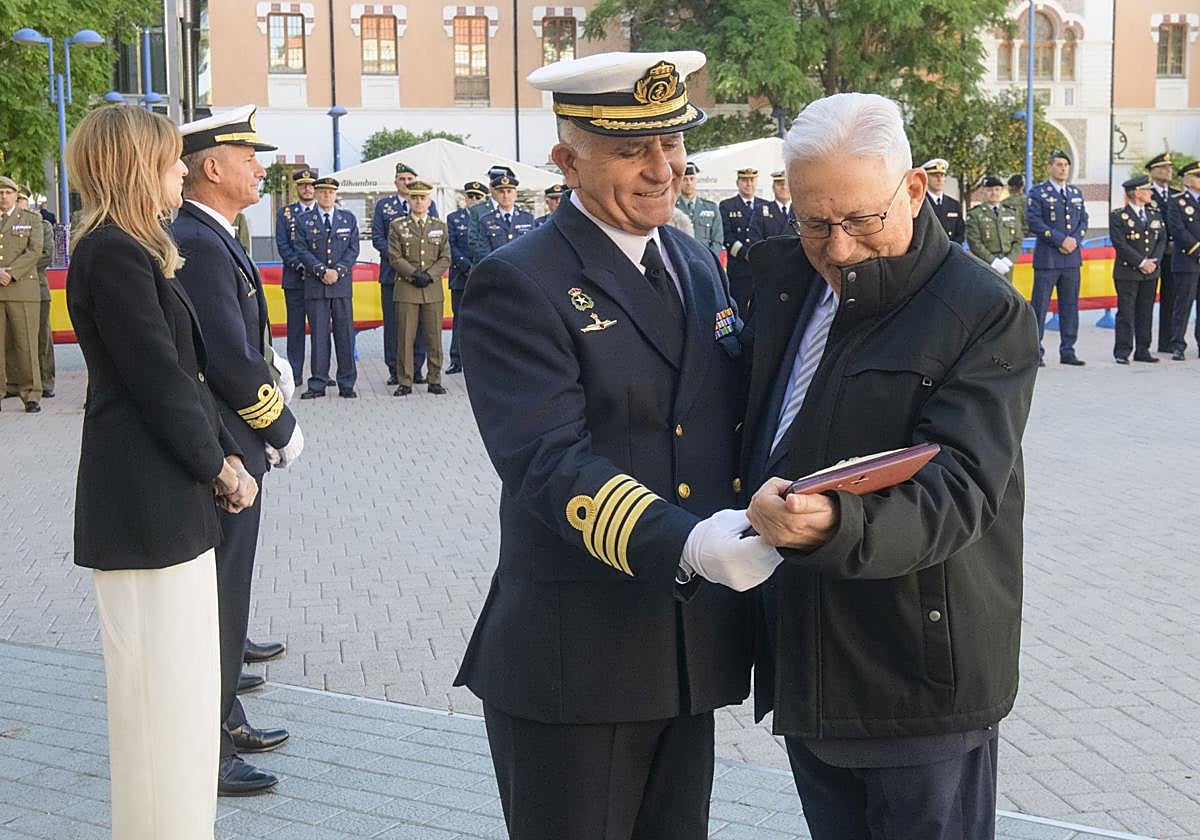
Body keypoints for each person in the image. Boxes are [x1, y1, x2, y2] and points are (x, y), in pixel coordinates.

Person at [456, 50, 779, 839]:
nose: (662, 168)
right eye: (633, 149)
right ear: (568, 161)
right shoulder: (517, 281)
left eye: (671, 144)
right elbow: (547, 462)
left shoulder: (695, 261)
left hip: (683, 651)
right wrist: (690, 543)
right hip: (580, 660)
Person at [742, 92, 1038, 840]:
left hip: (920, 677)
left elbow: (962, 489)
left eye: (861, 220)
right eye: (815, 221)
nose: (837, 247)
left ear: (914, 189)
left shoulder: (984, 310)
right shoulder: (783, 281)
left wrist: (833, 524)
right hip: (810, 660)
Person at [64, 104, 258, 840]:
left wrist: (223, 456)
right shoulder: (111, 251)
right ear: (135, 165)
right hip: (143, 507)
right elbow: (158, 380)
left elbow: (186, 373)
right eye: (172, 158)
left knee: (178, 702)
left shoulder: (132, 249)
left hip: (164, 503)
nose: (182, 168)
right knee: (160, 707)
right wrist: (222, 467)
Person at [174, 104, 304, 796]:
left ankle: (227, 712)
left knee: (229, 591)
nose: (261, 167)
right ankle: (214, 737)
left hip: (234, 440)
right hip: (226, 443)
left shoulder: (214, 232)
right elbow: (222, 354)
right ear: (213, 168)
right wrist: (278, 425)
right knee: (219, 596)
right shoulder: (195, 238)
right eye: (248, 157)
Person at [372, 162, 437, 385]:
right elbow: (378, 237)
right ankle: (394, 369)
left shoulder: (429, 204)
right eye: (403, 179)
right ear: (396, 182)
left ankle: (416, 369)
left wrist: (420, 270)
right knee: (394, 326)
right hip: (393, 275)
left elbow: (434, 238)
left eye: (410, 179)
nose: (407, 183)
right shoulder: (384, 206)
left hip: (421, 278)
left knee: (419, 326)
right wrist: (397, 258)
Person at [296, 176, 360, 397]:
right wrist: (322, 271)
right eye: (322, 192)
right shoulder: (304, 220)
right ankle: (318, 384)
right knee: (319, 337)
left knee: (345, 335)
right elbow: (301, 250)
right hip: (316, 285)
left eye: (330, 192)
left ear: (335, 195)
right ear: (315, 193)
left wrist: (338, 271)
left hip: (341, 285)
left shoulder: (347, 219)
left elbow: (353, 249)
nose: (326, 196)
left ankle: (347, 383)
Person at [387, 180, 449, 397]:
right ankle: (405, 381)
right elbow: (394, 256)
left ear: (429, 200)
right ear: (409, 200)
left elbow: (445, 257)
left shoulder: (439, 226)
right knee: (405, 337)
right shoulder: (397, 226)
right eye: (415, 197)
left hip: (431, 289)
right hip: (407, 288)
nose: (419, 202)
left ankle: (435, 379)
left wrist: (429, 276)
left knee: (434, 337)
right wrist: (413, 274)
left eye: (422, 198)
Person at [1028, 149, 1089, 366]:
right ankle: (1035, 351)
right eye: (1059, 164)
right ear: (1049, 167)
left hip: (1071, 259)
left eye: (1066, 165)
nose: (1063, 168)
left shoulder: (1075, 193)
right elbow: (1034, 221)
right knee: (1040, 306)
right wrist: (1059, 240)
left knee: (1070, 305)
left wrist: (1074, 240)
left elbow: (1083, 221)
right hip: (1048, 259)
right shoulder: (1038, 192)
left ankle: (1068, 350)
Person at [0, 175, 45, 413]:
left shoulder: (30, 219)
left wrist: (11, 273)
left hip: (22, 290)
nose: (3, 197)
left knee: (26, 344)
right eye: (0, 193)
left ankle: (31, 394)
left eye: (7, 193)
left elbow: (35, 250)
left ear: (16, 196)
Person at [6, 185, 55, 399]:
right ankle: (14, 382)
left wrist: (17, 270)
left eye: (23, 199)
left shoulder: (41, 224)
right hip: (10, 287)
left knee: (40, 338)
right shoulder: (8, 224)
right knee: (13, 341)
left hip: (36, 287)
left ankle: (45, 381)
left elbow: (44, 254)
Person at [1110, 175, 1165, 365]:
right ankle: (1123, 350)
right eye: (1147, 190)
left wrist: (1154, 262)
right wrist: (1141, 262)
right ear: (1136, 193)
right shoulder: (1118, 216)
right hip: (1128, 271)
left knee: (1146, 311)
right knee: (1126, 311)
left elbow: (1161, 239)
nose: (1150, 193)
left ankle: (1143, 349)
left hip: (1151, 271)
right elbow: (1120, 244)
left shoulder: (1154, 214)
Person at [274, 167, 318, 385]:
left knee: (320, 329)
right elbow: (283, 245)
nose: (307, 189)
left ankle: (321, 373)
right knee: (296, 329)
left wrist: (316, 269)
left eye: (311, 185)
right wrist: (301, 265)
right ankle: (296, 373)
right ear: (297, 188)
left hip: (319, 282)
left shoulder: (325, 212)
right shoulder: (285, 214)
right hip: (295, 279)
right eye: (303, 185)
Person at [445, 180, 486, 374]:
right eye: (471, 196)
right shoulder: (454, 218)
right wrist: (467, 267)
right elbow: (451, 246)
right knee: (460, 318)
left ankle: (480, 358)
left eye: (478, 197)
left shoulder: (489, 217)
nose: (474, 200)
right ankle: (457, 359)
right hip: (461, 276)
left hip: (485, 274)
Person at [720, 167, 770, 311]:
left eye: (752, 180)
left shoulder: (766, 206)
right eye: (744, 180)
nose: (749, 184)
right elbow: (727, 236)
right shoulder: (727, 206)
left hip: (761, 268)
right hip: (739, 268)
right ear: (738, 183)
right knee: (739, 308)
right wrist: (746, 254)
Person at [1166, 159, 1200, 360]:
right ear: (1187, 180)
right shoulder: (1176, 201)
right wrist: (1197, 250)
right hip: (1187, 260)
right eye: (1197, 176)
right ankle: (1178, 344)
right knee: (1183, 305)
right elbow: (1177, 230)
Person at [1146, 152, 1177, 353]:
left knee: (1171, 298)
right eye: (1163, 167)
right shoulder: (1146, 193)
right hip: (1153, 253)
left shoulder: (1176, 194)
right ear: (1153, 171)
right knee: (1147, 301)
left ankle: (1167, 341)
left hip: (1176, 254)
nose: (1168, 171)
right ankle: (1143, 344)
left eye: (1169, 167)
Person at [965, 175, 1021, 281]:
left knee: (1007, 294)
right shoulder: (975, 214)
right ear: (983, 192)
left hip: (1007, 263)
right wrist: (993, 261)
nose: (994, 193)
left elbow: (1018, 239)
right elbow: (974, 242)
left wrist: (1009, 260)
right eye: (989, 190)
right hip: (985, 263)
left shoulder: (1011, 212)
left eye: (997, 189)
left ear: (1001, 191)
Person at [475, 173, 535, 253]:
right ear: (495, 195)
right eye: (501, 192)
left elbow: (532, 248)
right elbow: (484, 252)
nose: (505, 196)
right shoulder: (486, 220)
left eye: (509, 191)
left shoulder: (527, 219)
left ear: (515, 194)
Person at [675, 161, 723, 256]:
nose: (688, 183)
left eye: (692, 179)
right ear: (680, 181)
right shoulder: (672, 208)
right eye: (685, 179)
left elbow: (717, 240)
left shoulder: (711, 208)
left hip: (705, 259)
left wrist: (709, 258)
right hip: (680, 259)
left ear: (696, 181)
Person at [921, 158, 965, 245]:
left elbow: (960, 232)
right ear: (926, 178)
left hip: (950, 251)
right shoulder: (920, 203)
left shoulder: (954, 205)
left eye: (942, 175)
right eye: (934, 175)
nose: (939, 179)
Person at [762, 170, 795, 237]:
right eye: (780, 184)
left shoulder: (799, 211)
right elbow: (755, 238)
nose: (784, 187)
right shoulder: (760, 211)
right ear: (773, 188)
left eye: (787, 184)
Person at [1003, 173, 1028, 238]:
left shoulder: (1003, 204)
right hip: (1028, 239)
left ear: (1009, 187)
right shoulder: (1031, 202)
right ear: (1022, 187)